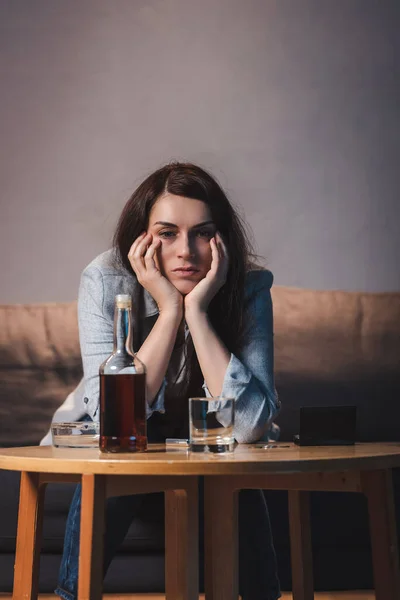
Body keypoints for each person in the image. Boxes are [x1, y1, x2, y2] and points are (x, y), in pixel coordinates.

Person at [55, 162, 281, 600]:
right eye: (167, 232)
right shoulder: (106, 279)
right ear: (142, 236)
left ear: (221, 238)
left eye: (202, 232)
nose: (186, 251)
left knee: (238, 474)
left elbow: (252, 426)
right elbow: (113, 422)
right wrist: (168, 310)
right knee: (114, 466)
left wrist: (196, 312)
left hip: (209, 448)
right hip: (124, 445)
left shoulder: (248, 285)